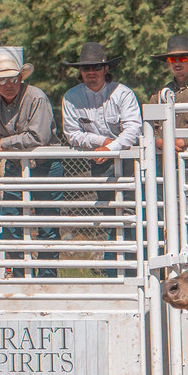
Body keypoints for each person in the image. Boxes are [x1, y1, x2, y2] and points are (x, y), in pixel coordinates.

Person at [62, 42, 142, 275]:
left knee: (132, 211)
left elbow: (133, 128)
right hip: (100, 161)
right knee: (110, 212)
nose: (91, 72)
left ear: (106, 68)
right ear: (80, 71)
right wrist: (101, 144)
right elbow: (71, 133)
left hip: (128, 160)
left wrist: (111, 148)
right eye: (86, 68)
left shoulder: (122, 93)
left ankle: (132, 266)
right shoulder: (71, 97)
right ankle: (117, 266)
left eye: (96, 66)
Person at [0, 46, 63, 278]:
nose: (8, 84)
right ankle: (16, 273)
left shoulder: (36, 96)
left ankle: (47, 277)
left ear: (20, 78)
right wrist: (9, 144)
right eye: (2, 80)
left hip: (44, 164)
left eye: (12, 78)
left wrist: (5, 144)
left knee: (47, 222)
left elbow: (38, 137)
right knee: (10, 221)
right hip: (13, 165)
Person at [149, 34, 188, 152]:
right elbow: (150, 129)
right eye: (172, 60)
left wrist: (184, 141)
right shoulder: (159, 95)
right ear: (168, 63)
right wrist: (161, 142)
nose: (177, 64)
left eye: (182, 59)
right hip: (165, 161)